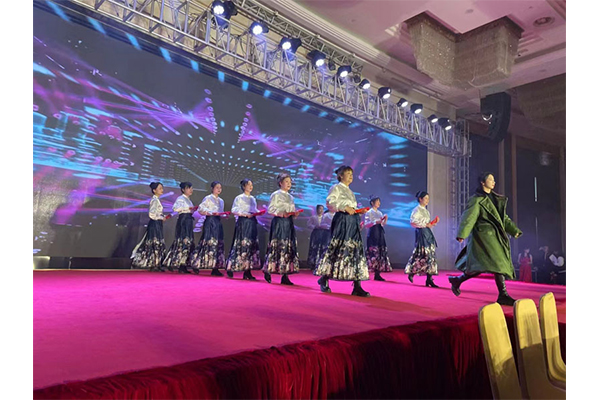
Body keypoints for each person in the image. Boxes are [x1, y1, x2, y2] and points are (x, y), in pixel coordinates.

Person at [449, 172, 523, 306]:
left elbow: (503, 218)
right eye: (490, 179)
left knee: (481, 266)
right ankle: (503, 295)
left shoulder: (495, 198)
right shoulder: (476, 199)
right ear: (482, 182)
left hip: (495, 236)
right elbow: (469, 217)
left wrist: (514, 230)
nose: (493, 182)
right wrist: (462, 234)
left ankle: (458, 280)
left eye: (493, 180)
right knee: (497, 263)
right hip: (484, 236)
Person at [315, 165, 370, 296]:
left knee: (355, 250)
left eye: (352, 174)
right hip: (342, 221)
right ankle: (324, 278)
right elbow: (330, 202)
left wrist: (358, 211)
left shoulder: (350, 191)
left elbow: (351, 208)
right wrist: (344, 208)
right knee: (338, 248)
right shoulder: (336, 187)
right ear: (340, 176)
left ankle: (357, 286)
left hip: (352, 222)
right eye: (348, 174)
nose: (351, 176)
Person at [263, 172, 301, 285]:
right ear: (280, 183)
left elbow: (291, 210)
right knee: (276, 245)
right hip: (279, 222)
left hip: (288, 223)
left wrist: (294, 214)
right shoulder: (276, 194)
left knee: (287, 247)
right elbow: (270, 209)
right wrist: (281, 213)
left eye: (290, 182)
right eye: (286, 182)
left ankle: (285, 274)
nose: (289, 184)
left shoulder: (291, 197)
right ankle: (268, 269)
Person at [189, 181, 228, 276]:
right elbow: (201, 209)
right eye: (217, 187)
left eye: (220, 188)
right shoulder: (208, 198)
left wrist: (224, 215)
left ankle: (215, 267)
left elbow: (220, 212)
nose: (219, 189)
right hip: (210, 221)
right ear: (212, 188)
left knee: (218, 244)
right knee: (207, 242)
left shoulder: (221, 201)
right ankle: (196, 264)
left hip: (218, 222)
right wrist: (211, 212)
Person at [226, 179, 260, 280]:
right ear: (244, 186)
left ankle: (247, 271)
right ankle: (231, 267)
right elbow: (234, 210)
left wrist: (259, 212)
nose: (251, 187)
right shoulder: (239, 198)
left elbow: (254, 209)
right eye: (249, 185)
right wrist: (244, 214)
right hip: (243, 222)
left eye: (251, 185)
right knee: (241, 245)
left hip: (251, 222)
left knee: (250, 246)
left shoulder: (253, 198)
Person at [131, 182, 169, 270]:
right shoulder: (154, 200)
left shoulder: (157, 200)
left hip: (157, 223)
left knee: (157, 243)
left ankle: (156, 264)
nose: (162, 190)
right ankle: (153, 264)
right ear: (154, 190)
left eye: (162, 188)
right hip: (154, 224)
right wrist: (161, 217)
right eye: (160, 188)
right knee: (154, 243)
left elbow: (157, 213)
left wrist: (163, 217)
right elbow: (151, 214)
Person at [405, 191, 439, 287]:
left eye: (428, 198)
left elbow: (427, 223)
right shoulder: (417, 210)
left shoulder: (426, 211)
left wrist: (432, 223)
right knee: (422, 254)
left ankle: (429, 279)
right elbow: (413, 222)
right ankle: (412, 271)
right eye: (426, 198)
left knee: (430, 254)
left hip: (428, 233)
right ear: (420, 199)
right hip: (421, 233)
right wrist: (425, 224)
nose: (427, 200)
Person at [163, 181, 197, 273]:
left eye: (191, 188)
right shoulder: (181, 198)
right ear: (183, 189)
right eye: (188, 188)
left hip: (188, 220)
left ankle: (183, 264)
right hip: (183, 221)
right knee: (183, 241)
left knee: (188, 242)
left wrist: (193, 209)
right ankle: (178, 264)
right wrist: (187, 208)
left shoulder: (188, 199)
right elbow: (175, 208)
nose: (191, 190)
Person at [364, 196, 392, 281]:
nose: (379, 203)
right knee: (373, 251)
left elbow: (382, 224)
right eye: (377, 201)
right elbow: (366, 224)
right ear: (372, 203)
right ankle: (367, 272)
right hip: (373, 233)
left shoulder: (379, 212)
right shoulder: (369, 212)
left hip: (379, 232)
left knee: (380, 252)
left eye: (379, 201)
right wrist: (376, 222)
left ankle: (377, 273)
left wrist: (385, 220)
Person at [306, 205, 332, 272]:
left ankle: (320, 264)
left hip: (324, 233)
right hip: (316, 233)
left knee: (323, 248)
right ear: (317, 209)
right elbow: (308, 225)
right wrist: (315, 226)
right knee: (314, 248)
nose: (321, 210)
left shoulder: (325, 217)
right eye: (320, 209)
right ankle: (312, 264)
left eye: (322, 209)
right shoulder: (313, 217)